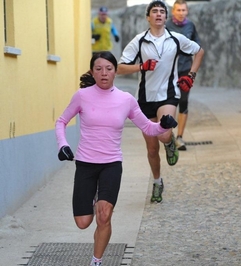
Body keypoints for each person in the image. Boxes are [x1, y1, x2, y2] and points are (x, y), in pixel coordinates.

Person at [55, 51, 177, 266]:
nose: (104, 73)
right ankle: (94, 199)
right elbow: (61, 121)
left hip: (111, 164)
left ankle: (96, 261)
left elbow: (148, 127)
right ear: (93, 72)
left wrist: (163, 125)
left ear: (115, 72)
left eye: (109, 69)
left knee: (104, 216)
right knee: (83, 222)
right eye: (99, 69)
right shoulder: (82, 96)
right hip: (85, 164)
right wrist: (63, 145)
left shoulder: (125, 100)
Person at [117, 0, 204, 203]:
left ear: (166, 17)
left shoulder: (175, 38)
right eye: (154, 11)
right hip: (145, 99)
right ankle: (157, 183)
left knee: (164, 135)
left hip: (168, 95)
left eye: (161, 12)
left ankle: (170, 141)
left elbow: (199, 51)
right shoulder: (139, 41)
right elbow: (120, 67)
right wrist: (141, 67)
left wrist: (191, 75)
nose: (158, 14)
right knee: (152, 149)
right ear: (148, 17)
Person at [165, 0, 201, 151]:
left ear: (187, 11)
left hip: (185, 69)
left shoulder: (190, 26)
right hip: (168, 71)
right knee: (169, 102)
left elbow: (198, 49)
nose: (180, 13)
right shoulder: (166, 26)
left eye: (183, 10)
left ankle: (180, 137)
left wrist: (192, 74)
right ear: (173, 11)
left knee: (183, 102)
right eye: (178, 10)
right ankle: (169, 136)